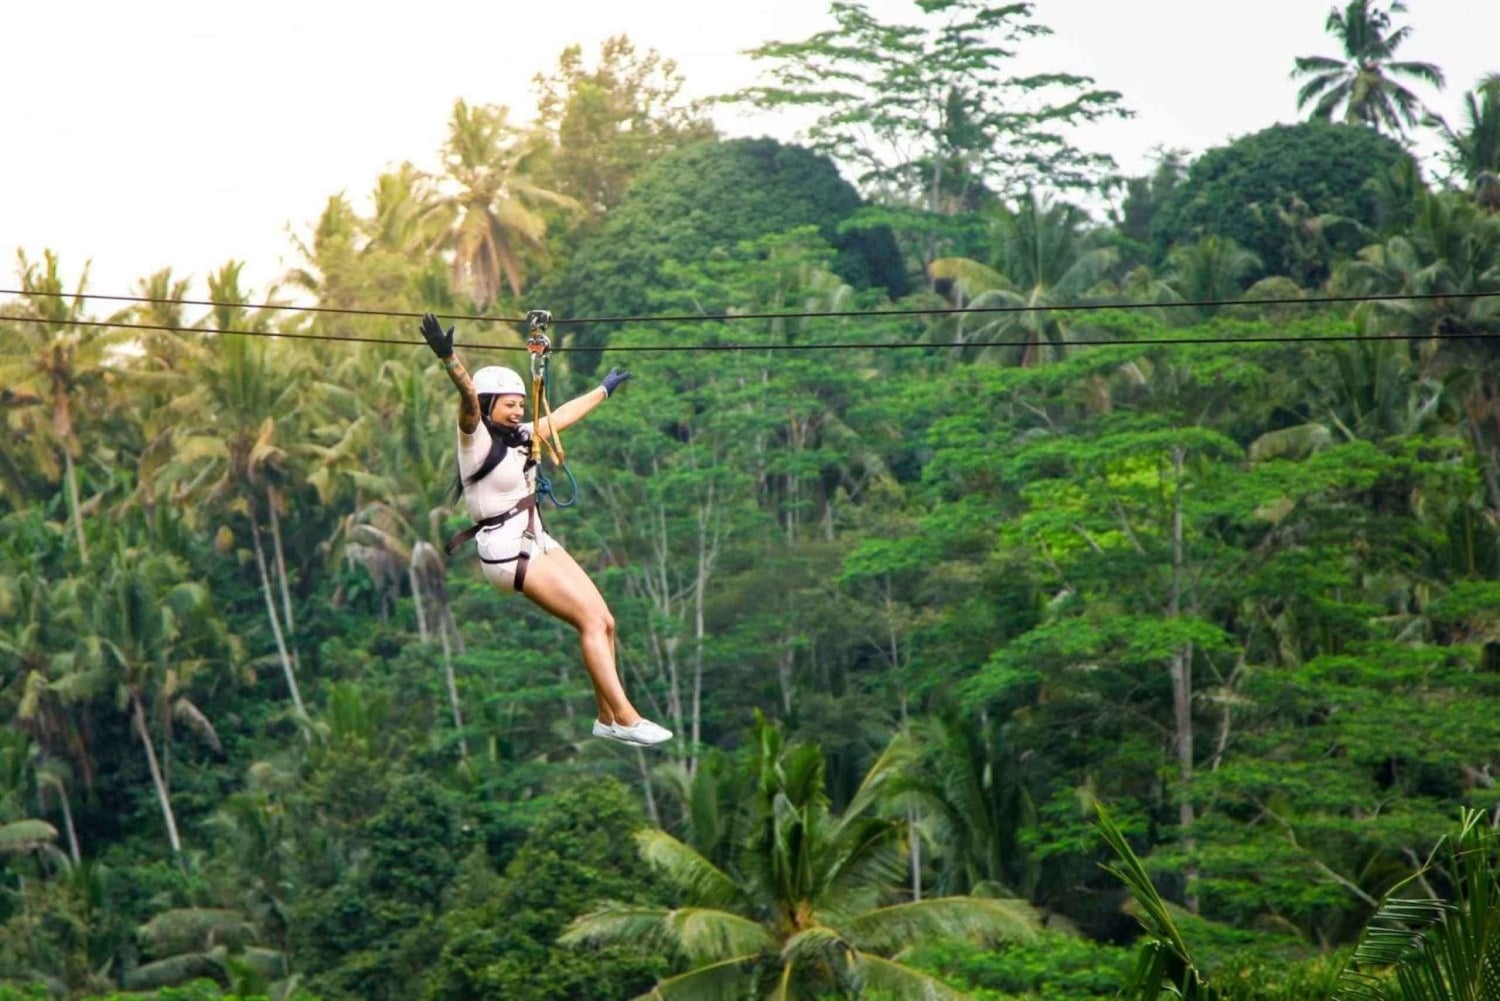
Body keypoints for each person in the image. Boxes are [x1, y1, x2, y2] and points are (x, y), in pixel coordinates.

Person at [420, 312, 672, 747]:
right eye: (509, 403)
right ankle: (627, 718)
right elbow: (465, 394)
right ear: (488, 404)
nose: (518, 409)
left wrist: (604, 390)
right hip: (506, 552)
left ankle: (606, 717)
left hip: (534, 537)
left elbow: (561, 417)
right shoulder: (474, 438)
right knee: (590, 621)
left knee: (606, 621)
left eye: (521, 403)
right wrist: (449, 358)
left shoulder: (520, 435)